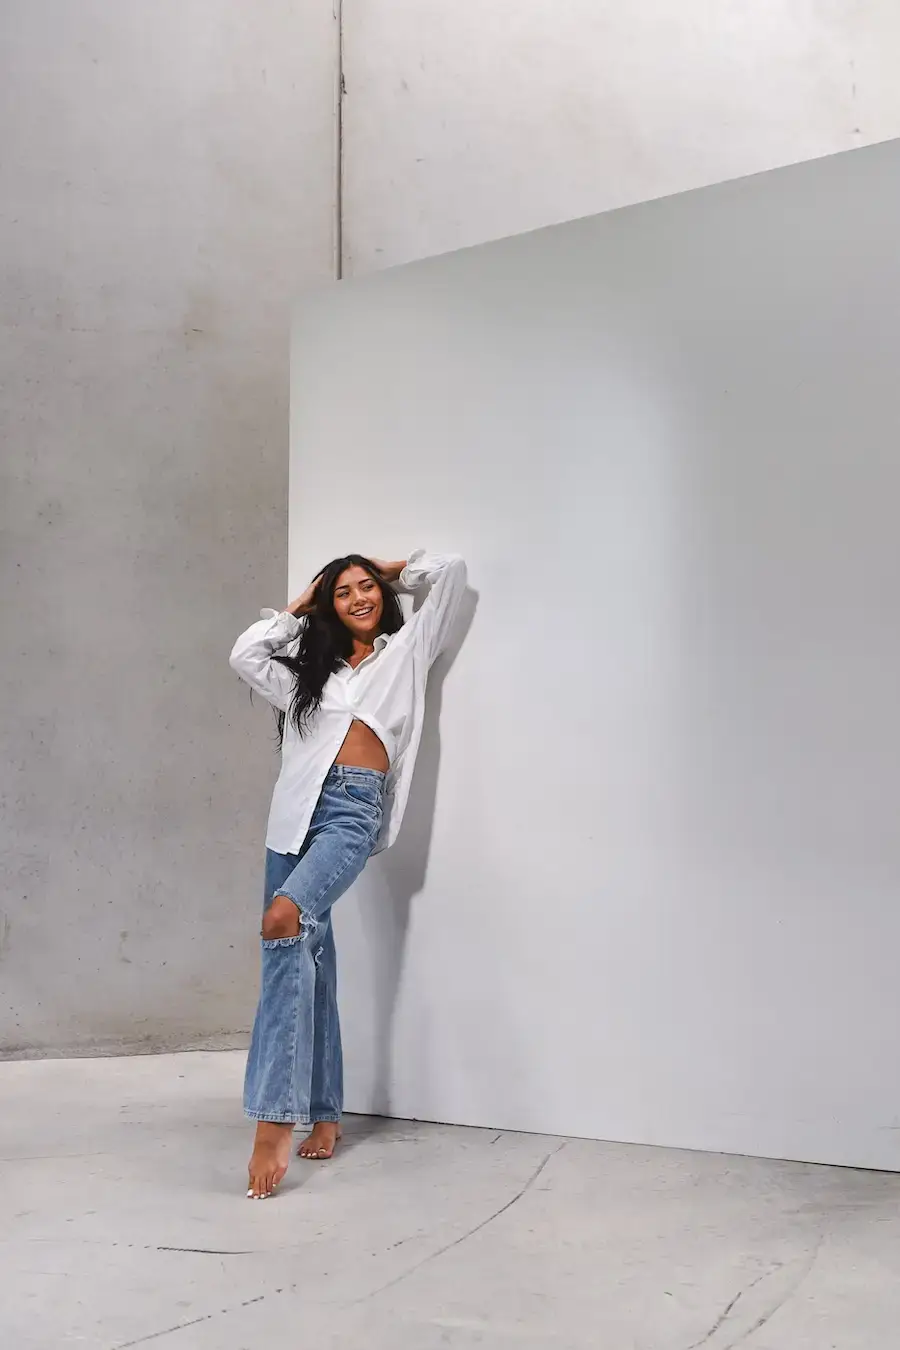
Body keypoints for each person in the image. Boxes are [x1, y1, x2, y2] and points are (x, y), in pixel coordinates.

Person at [229, 549, 467, 1198]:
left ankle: (275, 1117)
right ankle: (325, 1109)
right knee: (310, 958)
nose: (358, 598)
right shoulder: (311, 674)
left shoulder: (406, 650)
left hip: (350, 812)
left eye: (367, 589)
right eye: (343, 592)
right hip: (291, 818)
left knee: (282, 922)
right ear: (328, 605)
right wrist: (299, 606)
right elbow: (246, 655)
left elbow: (449, 573)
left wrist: (389, 567)